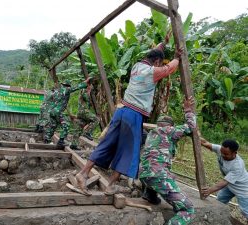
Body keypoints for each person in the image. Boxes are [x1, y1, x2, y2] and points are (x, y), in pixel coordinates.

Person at [75, 31, 183, 196]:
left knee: (106, 144)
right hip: (134, 115)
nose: (159, 65)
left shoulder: (136, 67)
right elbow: (170, 68)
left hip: (122, 111)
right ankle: (110, 185)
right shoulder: (152, 72)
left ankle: (82, 174)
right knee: (129, 151)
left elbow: (153, 55)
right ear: (156, 62)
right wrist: (177, 57)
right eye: (159, 62)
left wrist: (164, 43)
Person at [139, 97, 196, 225]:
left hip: (143, 175)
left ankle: (150, 195)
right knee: (188, 209)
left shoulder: (151, 134)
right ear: (170, 126)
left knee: (158, 173)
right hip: (158, 176)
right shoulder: (170, 131)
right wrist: (188, 111)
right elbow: (190, 126)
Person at [200, 138, 248, 220]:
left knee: (245, 211)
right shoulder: (221, 150)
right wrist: (193, 134)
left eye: (226, 154)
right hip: (230, 185)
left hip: (243, 189)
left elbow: (225, 181)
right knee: (220, 200)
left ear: (235, 153)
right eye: (222, 153)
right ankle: (217, 218)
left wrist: (210, 190)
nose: (222, 155)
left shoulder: (238, 165)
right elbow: (205, 143)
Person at [44, 78, 91, 146]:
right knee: (66, 125)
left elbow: (56, 101)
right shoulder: (66, 89)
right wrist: (85, 83)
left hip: (52, 111)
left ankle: (47, 139)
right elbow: (76, 87)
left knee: (53, 126)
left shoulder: (57, 91)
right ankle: (61, 141)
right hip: (58, 111)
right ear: (68, 86)